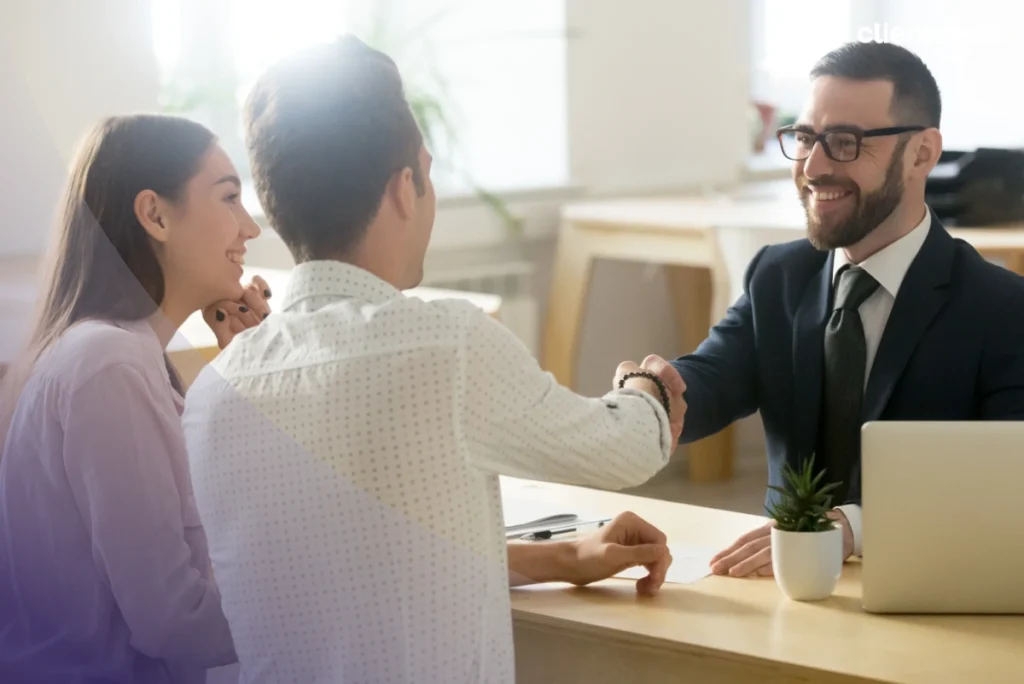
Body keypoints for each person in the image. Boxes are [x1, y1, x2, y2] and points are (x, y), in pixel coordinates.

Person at [181, 35, 683, 684]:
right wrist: (644, 386)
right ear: (403, 188)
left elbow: (357, 562)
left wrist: (565, 555)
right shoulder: (447, 346)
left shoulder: (212, 394)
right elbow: (627, 449)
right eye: (428, 172)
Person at [639, 40, 1024, 578]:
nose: (813, 167)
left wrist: (852, 528)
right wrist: (651, 395)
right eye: (804, 138)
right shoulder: (778, 275)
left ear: (922, 153)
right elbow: (712, 378)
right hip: (784, 586)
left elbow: (1007, 482)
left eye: (845, 142)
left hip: (931, 585)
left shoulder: (1003, 310)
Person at [0, 114, 271, 683]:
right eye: (229, 198)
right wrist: (321, 603)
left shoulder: (124, 359)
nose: (250, 228)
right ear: (155, 215)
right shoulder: (108, 364)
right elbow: (173, 621)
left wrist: (243, 380)